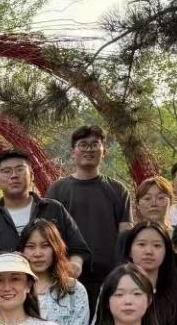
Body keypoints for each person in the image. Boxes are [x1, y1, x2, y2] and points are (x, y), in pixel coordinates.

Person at [46, 125, 133, 306]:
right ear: (73, 152)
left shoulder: (118, 190)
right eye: (83, 145)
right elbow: (49, 234)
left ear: (104, 151)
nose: (89, 149)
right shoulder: (57, 189)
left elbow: (126, 235)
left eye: (95, 144)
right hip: (67, 278)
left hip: (109, 279)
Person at [0, 149, 90, 273]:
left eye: (20, 169)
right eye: (6, 171)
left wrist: (75, 264)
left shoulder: (54, 208)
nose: (14, 175)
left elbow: (78, 248)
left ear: (32, 175)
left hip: (53, 282)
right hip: (8, 284)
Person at [119, 222, 177, 325]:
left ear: (166, 252)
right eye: (141, 244)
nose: (149, 251)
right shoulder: (113, 290)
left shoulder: (174, 294)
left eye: (157, 245)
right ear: (129, 251)